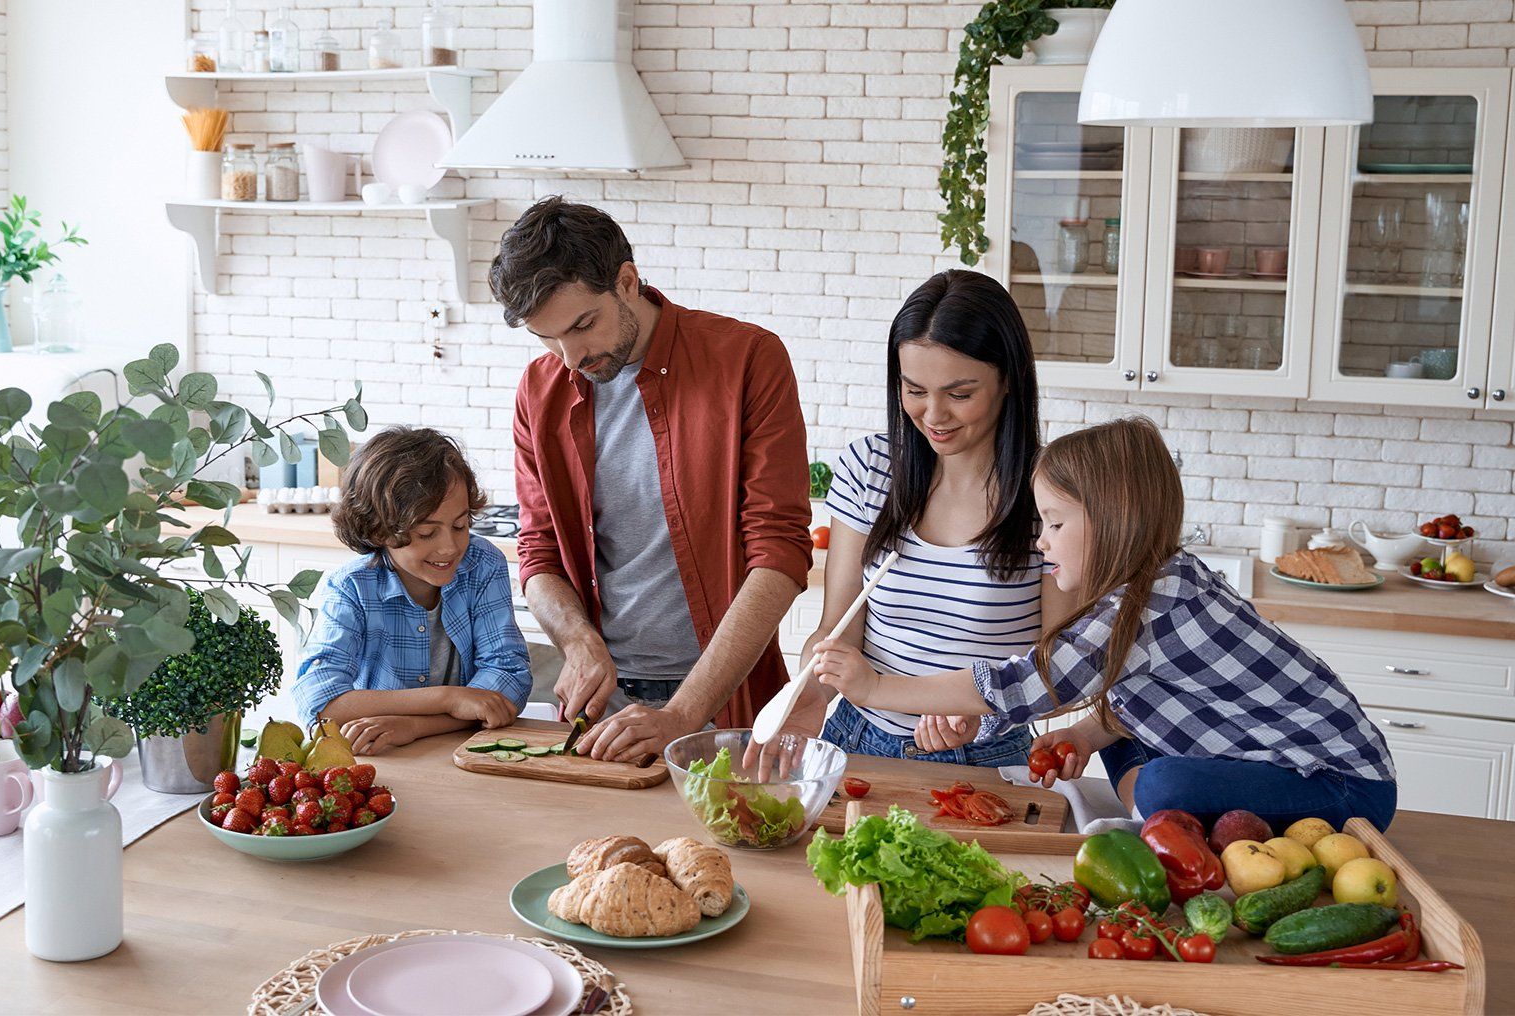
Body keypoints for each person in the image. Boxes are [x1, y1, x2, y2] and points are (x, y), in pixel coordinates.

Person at [813, 417, 1398, 831]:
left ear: (1112, 521)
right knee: (1129, 732)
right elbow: (1139, 693)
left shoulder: (1147, 605)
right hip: (1267, 756)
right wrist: (1086, 735)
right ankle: (1158, 807)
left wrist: (874, 688)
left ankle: (1155, 812)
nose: (1041, 542)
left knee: (1164, 785)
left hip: (1339, 783)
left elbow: (1026, 685)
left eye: (1055, 523)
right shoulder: (1158, 579)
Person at [498, 196, 812, 762]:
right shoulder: (539, 391)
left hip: (721, 700)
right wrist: (576, 640)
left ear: (626, 281)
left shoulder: (748, 359)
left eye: (582, 325)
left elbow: (780, 553)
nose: (570, 358)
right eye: (548, 338)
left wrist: (682, 714)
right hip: (601, 710)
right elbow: (538, 552)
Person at [785, 270, 1066, 768]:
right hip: (858, 740)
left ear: (1008, 380)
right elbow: (838, 628)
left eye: (959, 394)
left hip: (988, 758)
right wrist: (808, 693)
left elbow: (1061, 668)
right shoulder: (870, 468)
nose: (934, 415)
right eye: (914, 390)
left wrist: (985, 714)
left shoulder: (1050, 496)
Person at [292, 427, 531, 755]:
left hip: (464, 751)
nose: (450, 547)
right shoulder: (351, 587)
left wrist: (414, 725)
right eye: (427, 532)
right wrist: (448, 698)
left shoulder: (483, 564)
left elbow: (509, 680)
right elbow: (318, 703)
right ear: (379, 530)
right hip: (382, 758)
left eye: (460, 525)